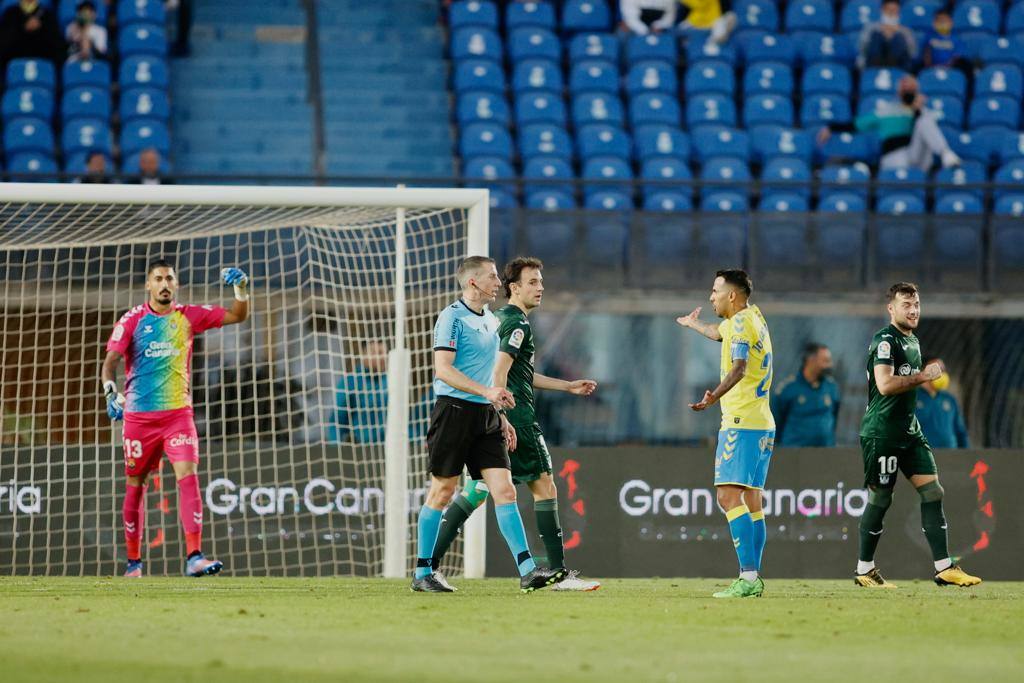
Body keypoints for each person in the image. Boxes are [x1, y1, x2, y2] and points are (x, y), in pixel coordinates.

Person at [428, 257, 601, 591]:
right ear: (514, 287)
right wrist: (502, 415)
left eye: (541, 281)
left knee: (477, 491)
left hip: (493, 414)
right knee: (544, 486)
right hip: (515, 417)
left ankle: (428, 566)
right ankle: (558, 574)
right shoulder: (516, 323)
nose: (540, 288)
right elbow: (498, 374)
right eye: (533, 282)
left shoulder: (499, 319)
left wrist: (566, 386)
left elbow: (517, 372)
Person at [412, 256, 561, 593]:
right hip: (453, 412)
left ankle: (527, 570)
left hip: (487, 416)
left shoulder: (492, 321)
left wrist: (500, 414)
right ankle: (423, 573)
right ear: (473, 283)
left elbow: (491, 374)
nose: (498, 282)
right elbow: (444, 370)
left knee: (504, 490)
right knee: (443, 491)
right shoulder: (451, 318)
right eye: (492, 277)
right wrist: (487, 392)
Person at [101, 259, 250, 578]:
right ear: (149, 285)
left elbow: (238, 315)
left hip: (178, 415)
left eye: (169, 278)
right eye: (158, 279)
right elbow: (110, 360)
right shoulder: (132, 320)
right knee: (135, 486)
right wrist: (110, 391)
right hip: (139, 417)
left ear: (176, 284)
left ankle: (195, 556)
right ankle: (133, 564)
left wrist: (240, 289)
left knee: (189, 475)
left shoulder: (188, 316)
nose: (164, 283)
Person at [854, 282, 980, 588]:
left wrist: (919, 375)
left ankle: (943, 567)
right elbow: (884, 385)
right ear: (891, 309)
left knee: (933, 491)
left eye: (917, 305)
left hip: (909, 431)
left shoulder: (914, 341)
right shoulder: (885, 340)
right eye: (906, 305)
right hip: (882, 432)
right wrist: (922, 375)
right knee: (881, 498)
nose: (913, 311)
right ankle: (864, 568)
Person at [677, 269, 774, 598]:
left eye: (715, 290)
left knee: (727, 497)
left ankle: (748, 577)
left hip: (741, 421)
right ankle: (752, 577)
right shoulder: (752, 317)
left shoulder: (742, 323)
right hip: (761, 421)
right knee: (751, 499)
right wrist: (693, 325)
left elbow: (739, 366)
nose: (710, 296)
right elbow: (721, 333)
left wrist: (713, 396)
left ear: (732, 295)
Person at [817, 75, 961, 172]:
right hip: (894, 157)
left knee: (924, 120)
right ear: (898, 91)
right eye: (904, 89)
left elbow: (927, 132)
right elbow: (856, 125)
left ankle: (946, 153)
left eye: (910, 89)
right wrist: (831, 127)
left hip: (918, 155)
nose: (907, 92)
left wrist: (917, 110)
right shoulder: (886, 111)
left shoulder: (922, 112)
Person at [772, 343, 840, 447]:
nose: (829, 366)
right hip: (794, 455)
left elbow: (834, 416)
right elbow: (777, 420)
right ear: (810, 360)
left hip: (825, 454)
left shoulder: (831, 387)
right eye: (825, 361)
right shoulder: (788, 388)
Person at [331, 340, 388, 444]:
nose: (379, 358)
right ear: (363, 354)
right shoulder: (351, 381)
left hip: (391, 449)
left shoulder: (393, 381)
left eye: (381, 352)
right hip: (359, 452)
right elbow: (337, 421)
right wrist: (337, 449)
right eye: (374, 353)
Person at [916, 356, 969, 449]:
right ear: (922, 371)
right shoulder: (911, 398)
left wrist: (968, 457)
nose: (941, 373)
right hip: (923, 457)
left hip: (950, 456)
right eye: (936, 369)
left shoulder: (949, 399)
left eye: (943, 370)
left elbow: (960, 431)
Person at [0, 0, 66, 68]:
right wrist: (22, 28)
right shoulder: (10, 14)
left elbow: (57, 48)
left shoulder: (47, 15)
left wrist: (41, 29)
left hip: (43, 66)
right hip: (14, 66)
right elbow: (4, 45)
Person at [858, 0, 916, 71]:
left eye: (894, 10)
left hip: (899, 66)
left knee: (898, 37)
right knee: (876, 36)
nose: (891, 13)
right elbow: (862, 50)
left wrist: (896, 32)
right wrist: (883, 32)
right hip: (873, 64)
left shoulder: (905, 31)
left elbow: (913, 53)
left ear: (899, 12)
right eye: (888, 10)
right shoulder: (871, 28)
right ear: (882, 10)